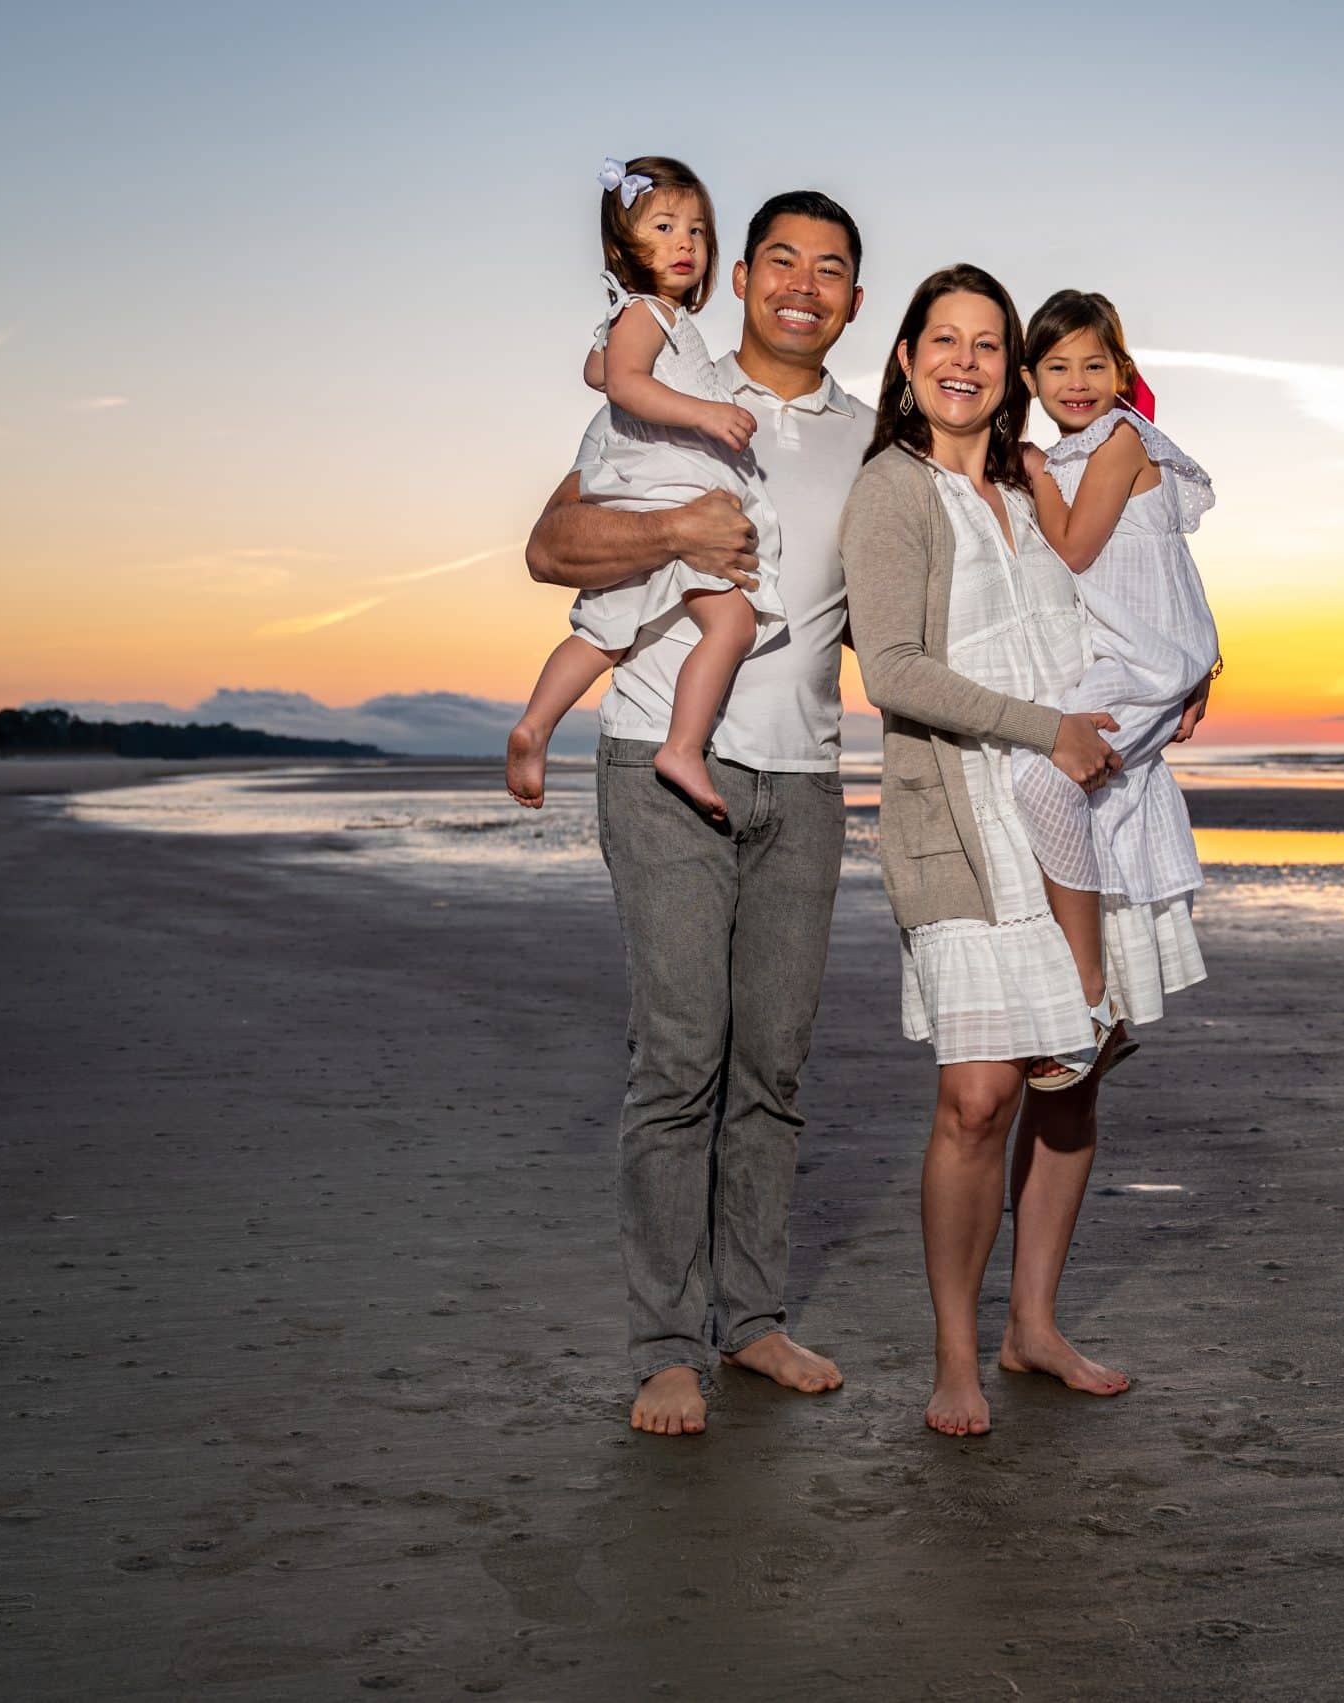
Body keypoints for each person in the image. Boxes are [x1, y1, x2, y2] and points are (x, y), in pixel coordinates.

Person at [523, 191, 870, 1437]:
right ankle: (666, 1343)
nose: (802, 283)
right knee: (679, 1061)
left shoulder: (873, 443)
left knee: (771, 1066)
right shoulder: (671, 381)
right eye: (780, 258)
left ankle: (755, 1320)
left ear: (854, 301)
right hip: (662, 766)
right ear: (739, 276)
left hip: (808, 779)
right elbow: (552, 543)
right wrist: (673, 525)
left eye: (830, 269)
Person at [839, 265, 1204, 1437]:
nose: (965, 360)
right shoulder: (890, 492)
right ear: (904, 361)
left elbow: (1128, 583)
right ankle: (957, 1352)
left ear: (1011, 372)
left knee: (1071, 1083)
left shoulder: (1036, 474)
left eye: (987, 343)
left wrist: (1200, 657)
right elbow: (890, 669)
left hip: (1085, 805)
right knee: (977, 1095)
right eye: (941, 340)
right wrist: (1046, 728)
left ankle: (1032, 1326)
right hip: (962, 810)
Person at [507, 156, 784, 823]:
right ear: (623, 246)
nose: (686, 243)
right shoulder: (651, 314)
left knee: (604, 631)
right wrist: (706, 414)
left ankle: (535, 727)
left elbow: (597, 370)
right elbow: (623, 383)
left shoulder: (639, 315)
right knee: (734, 620)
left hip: (641, 491)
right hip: (668, 493)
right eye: (664, 226)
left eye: (696, 230)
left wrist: (615, 348)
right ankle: (683, 747)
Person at [1011, 290, 1220, 1089]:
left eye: (1094, 363)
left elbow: (1072, 547)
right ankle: (1114, 996)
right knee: (1105, 800)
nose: (1076, 380)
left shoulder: (1120, 441)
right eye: (1057, 365)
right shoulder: (1085, 449)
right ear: (1029, 376)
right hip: (1141, 652)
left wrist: (1031, 469)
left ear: (1121, 371)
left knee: (1045, 781)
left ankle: (1090, 1002)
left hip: (1148, 661)